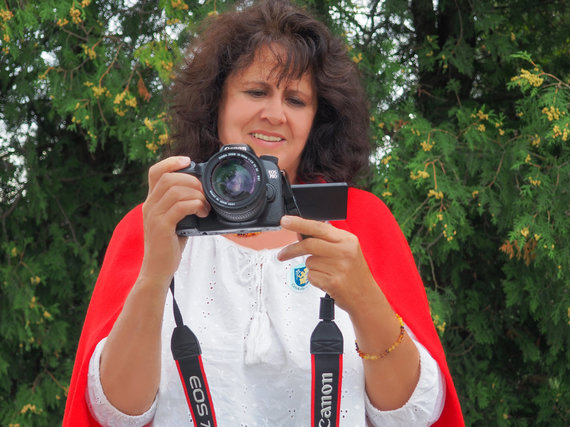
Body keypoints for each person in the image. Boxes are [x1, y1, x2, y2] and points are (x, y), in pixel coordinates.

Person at [63, 0, 464, 425]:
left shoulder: (357, 221)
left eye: (296, 99)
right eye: (256, 91)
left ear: (317, 119)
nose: (274, 114)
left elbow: (412, 414)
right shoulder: (158, 221)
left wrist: (365, 300)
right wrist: (154, 276)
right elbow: (116, 413)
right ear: (216, 102)